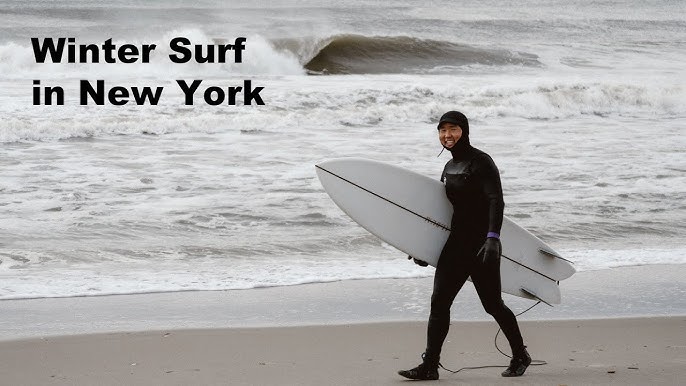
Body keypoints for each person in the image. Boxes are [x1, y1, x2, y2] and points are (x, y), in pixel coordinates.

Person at [398, 111, 531, 380]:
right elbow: (439, 213)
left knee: (492, 304)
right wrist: (422, 248)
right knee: (439, 302)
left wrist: (493, 238)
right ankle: (430, 365)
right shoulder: (448, 167)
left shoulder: (482, 162)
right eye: (442, 130)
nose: (447, 135)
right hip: (456, 244)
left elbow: (496, 201)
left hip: (482, 245)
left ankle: (521, 354)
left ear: (464, 130)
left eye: (453, 129)